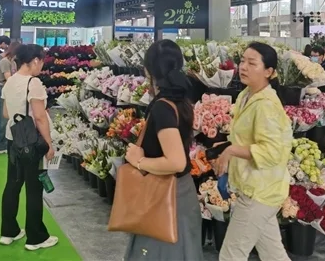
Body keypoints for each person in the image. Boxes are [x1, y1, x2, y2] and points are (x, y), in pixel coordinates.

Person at [123, 39, 202, 260]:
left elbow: (175, 162)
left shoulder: (162, 107)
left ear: (148, 70)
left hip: (166, 197)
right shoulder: (181, 100)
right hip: (181, 192)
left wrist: (139, 161)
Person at [215, 42, 292, 261]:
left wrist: (232, 150)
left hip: (259, 192)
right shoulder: (246, 95)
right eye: (242, 61)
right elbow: (243, 138)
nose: (243, 67)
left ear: (269, 71)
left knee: (231, 255)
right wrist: (224, 149)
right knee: (273, 255)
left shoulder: (265, 104)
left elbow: (272, 151)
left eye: (252, 63)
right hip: (257, 186)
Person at [0, 44, 58, 251]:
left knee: (13, 184)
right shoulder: (34, 83)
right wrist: (49, 144)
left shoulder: (10, 81)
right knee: (34, 188)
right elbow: (40, 117)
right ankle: (36, 237)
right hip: (32, 142)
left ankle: (8, 231)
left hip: (13, 138)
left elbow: (6, 113)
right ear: (34, 60)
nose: (42, 66)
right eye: (41, 62)